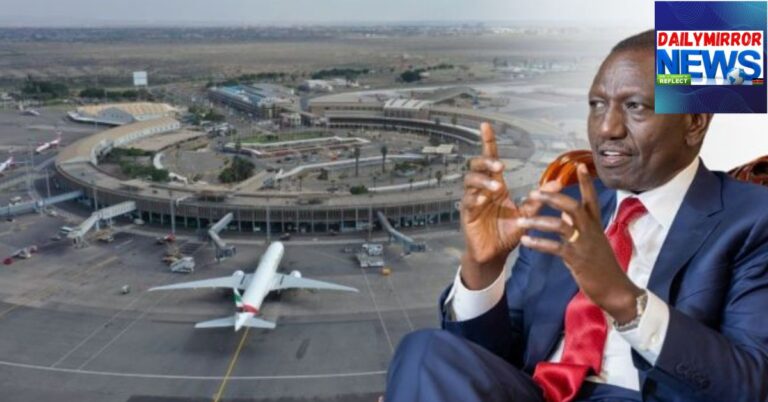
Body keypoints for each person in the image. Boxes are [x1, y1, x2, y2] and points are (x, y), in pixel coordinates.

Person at [384, 30, 768, 402]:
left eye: (635, 106)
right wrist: (483, 268)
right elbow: (486, 368)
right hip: (537, 390)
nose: (606, 128)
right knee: (424, 351)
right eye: (597, 105)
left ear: (694, 122)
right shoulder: (560, 207)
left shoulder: (752, 219)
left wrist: (622, 298)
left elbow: (751, 383)